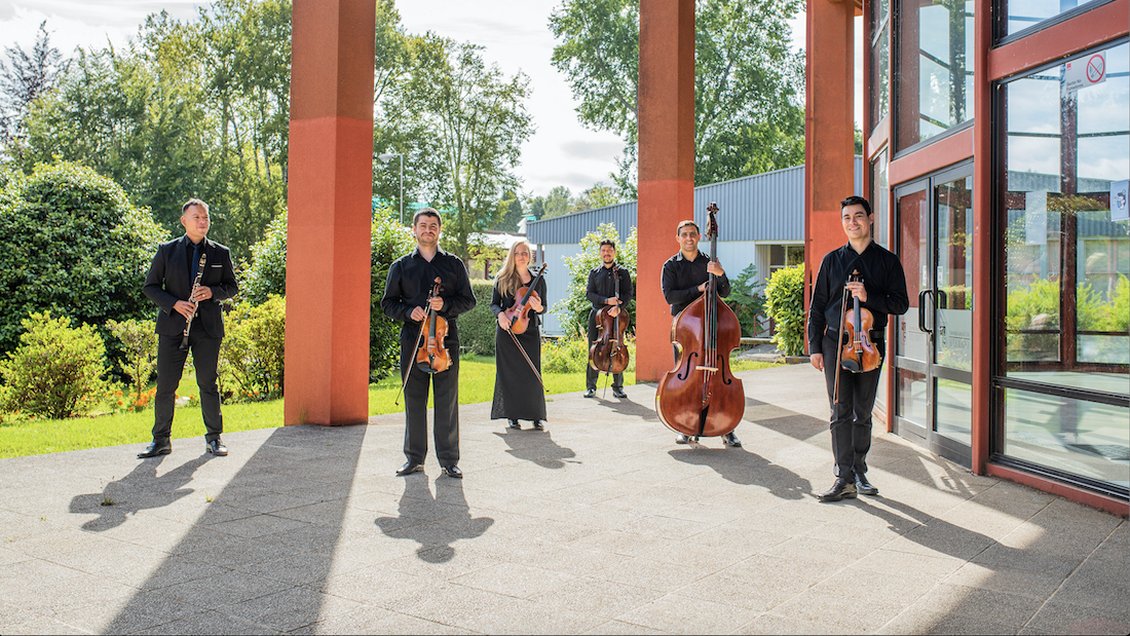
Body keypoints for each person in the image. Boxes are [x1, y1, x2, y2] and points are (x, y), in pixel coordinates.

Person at [808, 195, 908, 502]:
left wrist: (869, 296)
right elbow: (817, 307)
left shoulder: (888, 261)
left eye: (858, 216)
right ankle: (844, 477)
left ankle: (860, 471)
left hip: (870, 343)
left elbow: (900, 304)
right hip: (834, 343)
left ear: (870, 218)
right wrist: (814, 346)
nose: (852, 222)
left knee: (862, 413)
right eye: (847, 217)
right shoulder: (831, 261)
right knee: (840, 411)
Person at [138, 199, 238, 459]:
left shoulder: (220, 253)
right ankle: (161, 440)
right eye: (197, 217)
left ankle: (214, 438)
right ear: (184, 221)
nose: (202, 222)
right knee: (166, 385)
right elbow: (150, 287)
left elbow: (232, 287)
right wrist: (174, 304)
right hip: (173, 326)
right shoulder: (166, 251)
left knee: (208, 383)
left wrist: (212, 292)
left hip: (207, 328)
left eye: (206, 217)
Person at [381, 208, 476, 479]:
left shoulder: (453, 265)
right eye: (423, 225)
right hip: (414, 341)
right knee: (414, 400)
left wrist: (444, 304)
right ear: (414, 230)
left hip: (445, 342)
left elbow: (468, 301)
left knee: (447, 401)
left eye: (433, 226)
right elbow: (388, 304)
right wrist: (408, 312)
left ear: (439, 230)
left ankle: (449, 461)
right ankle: (414, 459)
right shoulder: (401, 266)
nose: (428, 230)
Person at [661, 219, 741, 448]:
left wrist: (720, 273)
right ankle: (684, 428)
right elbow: (670, 296)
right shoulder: (670, 266)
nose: (689, 238)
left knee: (718, 379)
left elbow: (725, 291)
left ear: (699, 237)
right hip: (686, 332)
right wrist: (698, 289)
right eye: (684, 234)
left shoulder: (709, 262)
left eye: (692, 234)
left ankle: (727, 428)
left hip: (712, 329)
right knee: (686, 381)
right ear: (678, 238)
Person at [490, 242, 548, 431]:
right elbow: (494, 304)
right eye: (517, 253)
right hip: (507, 330)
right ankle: (512, 415)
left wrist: (538, 307)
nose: (522, 256)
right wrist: (500, 316)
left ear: (529, 256)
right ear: (512, 256)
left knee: (532, 373)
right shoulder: (502, 278)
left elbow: (544, 308)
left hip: (529, 330)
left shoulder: (538, 280)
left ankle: (536, 416)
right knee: (509, 374)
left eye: (525, 253)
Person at [584, 239, 634, 399]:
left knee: (616, 347)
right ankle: (591, 387)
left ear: (614, 252)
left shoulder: (623, 272)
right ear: (600, 253)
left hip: (616, 316)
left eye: (609, 250)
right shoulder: (594, 273)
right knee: (594, 350)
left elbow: (628, 293)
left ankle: (618, 387)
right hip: (597, 317)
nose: (607, 253)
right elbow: (589, 294)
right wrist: (606, 301)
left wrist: (619, 306)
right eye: (604, 250)